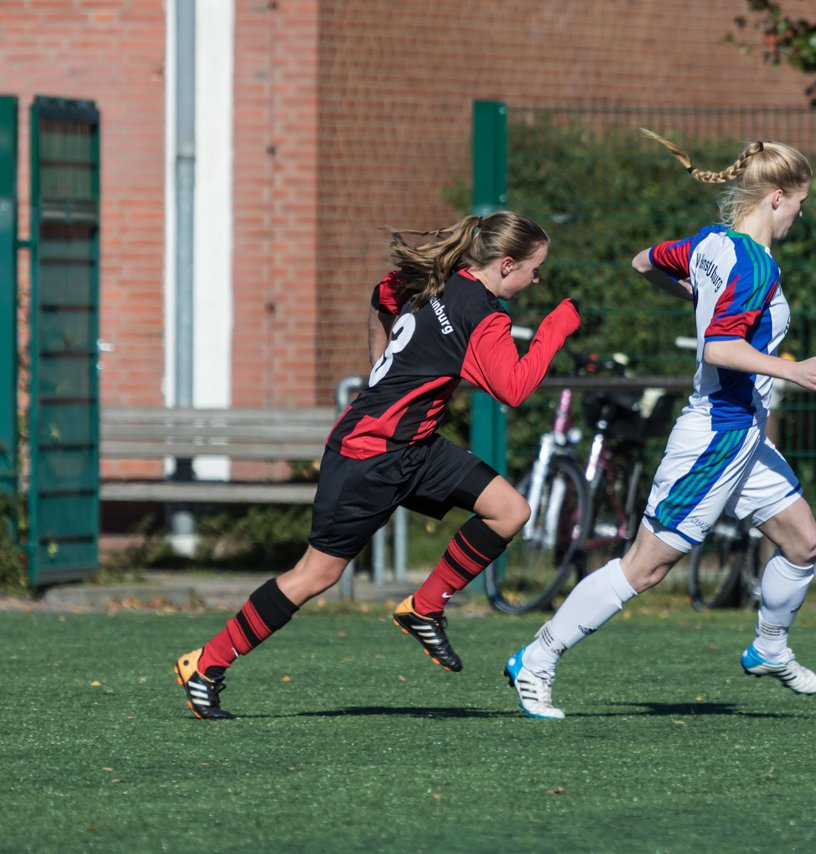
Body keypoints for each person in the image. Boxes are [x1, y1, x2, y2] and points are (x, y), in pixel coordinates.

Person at [174, 211, 580, 720]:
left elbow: (381, 296)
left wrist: (379, 366)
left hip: (417, 446)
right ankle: (206, 664)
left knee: (508, 510)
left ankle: (425, 605)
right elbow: (514, 388)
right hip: (368, 455)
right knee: (314, 574)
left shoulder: (435, 279)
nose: (536, 279)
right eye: (534, 269)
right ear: (506, 264)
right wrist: (558, 325)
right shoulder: (485, 314)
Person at [504, 129, 816, 719]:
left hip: (743, 436)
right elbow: (719, 349)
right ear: (776, 197)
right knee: (647, 566)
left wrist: (690, 290)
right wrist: (792, 371)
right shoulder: (755, 266)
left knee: (804, 542)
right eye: (800, 202)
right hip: (716, 435)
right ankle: (536, 659)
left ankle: (768, 647)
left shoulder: (713, 243)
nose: (799, 213)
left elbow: (643, 262)